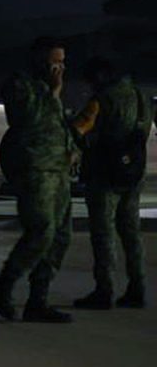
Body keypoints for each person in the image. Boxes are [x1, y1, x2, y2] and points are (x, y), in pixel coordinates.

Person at [0, 38, 75, 323]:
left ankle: (38, 300)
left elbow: (56, 124)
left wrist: (72, 149)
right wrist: (54, 92)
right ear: (38, 60)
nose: (59, 68)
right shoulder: (20, 86)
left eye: (62, 62)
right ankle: (3, 285)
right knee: (41, 231)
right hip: (34, 170)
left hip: (58, 170)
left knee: (61, 235)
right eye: (54, 61)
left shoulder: (48, 90)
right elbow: (28, 119)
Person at [68, 57, 149, 310]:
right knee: (131, 233)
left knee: (104, 234)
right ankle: (137, 287)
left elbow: (79, 129)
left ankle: (104, 290)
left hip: (105, 175)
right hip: (134, 173)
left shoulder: (103, 99)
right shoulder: (141, 97)